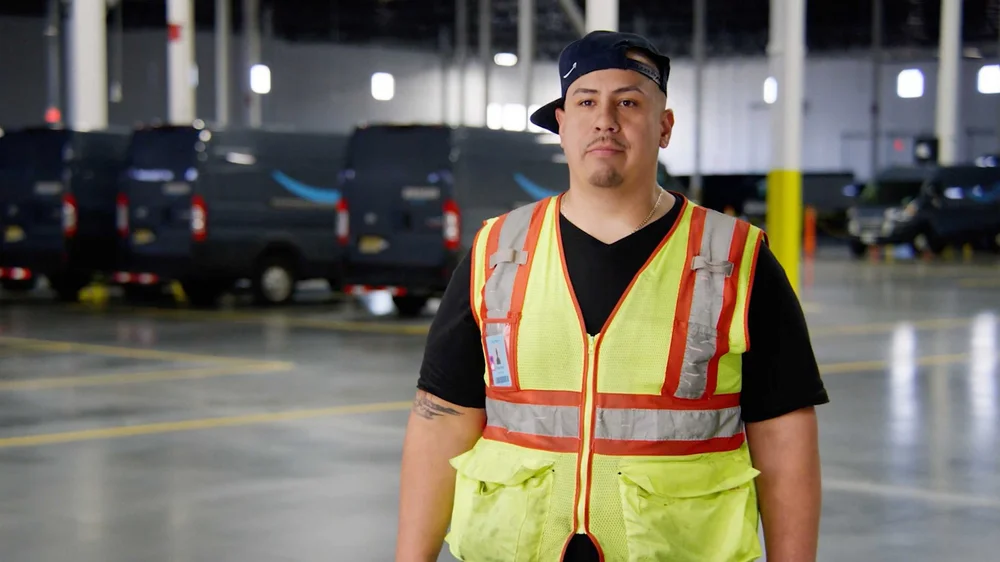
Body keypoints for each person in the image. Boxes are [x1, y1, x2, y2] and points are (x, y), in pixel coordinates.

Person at [396, 30, 828, 562]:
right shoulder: (497, 252)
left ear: (664, 127)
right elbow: (442, 418)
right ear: (562, 124)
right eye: (586, 102)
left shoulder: (735, 257)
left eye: (628, 101)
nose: (606, 119)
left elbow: (785, 437)